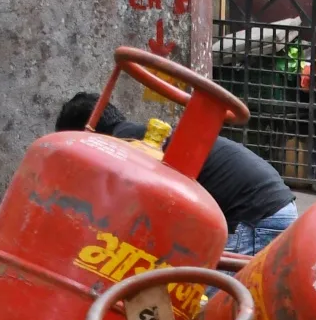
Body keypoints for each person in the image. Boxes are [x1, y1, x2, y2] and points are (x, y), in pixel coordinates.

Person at [55, 92, 297, 256]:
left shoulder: (121, 147)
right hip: (266, 207)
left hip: (257, 216)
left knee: (204, 313)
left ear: (88, 132)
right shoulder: (137, 137)